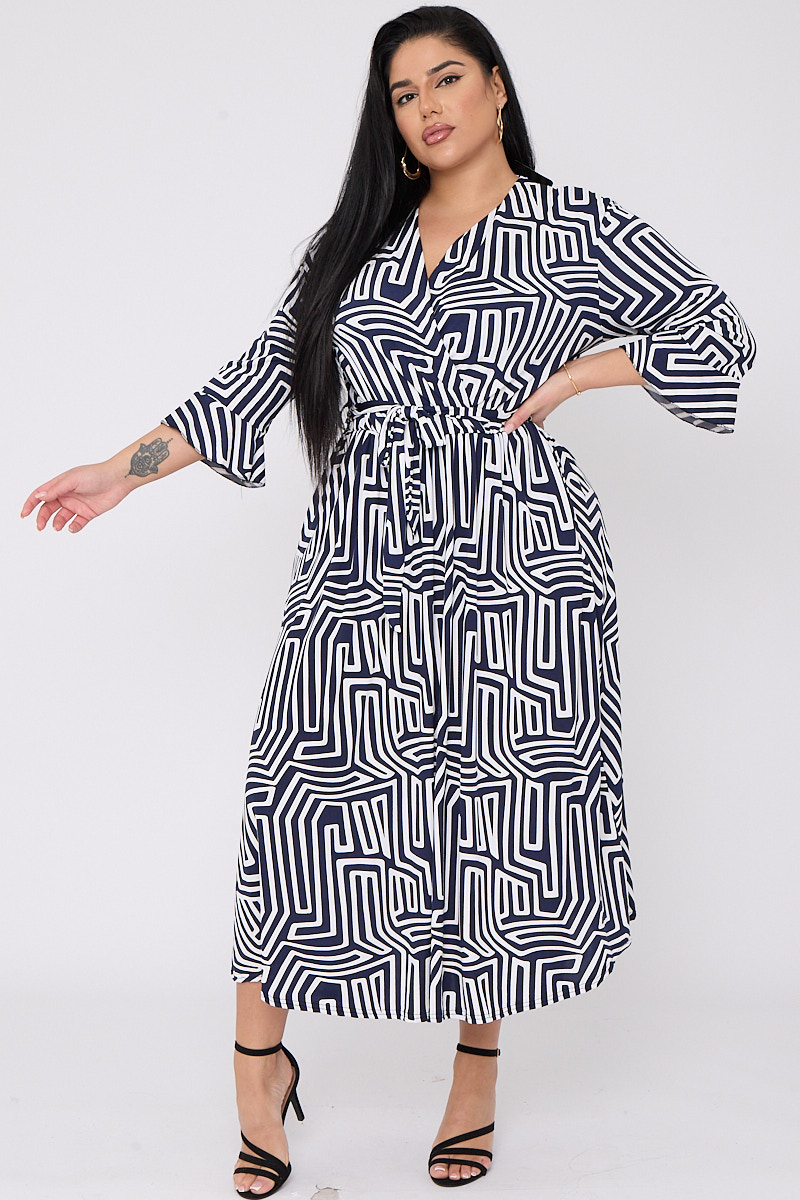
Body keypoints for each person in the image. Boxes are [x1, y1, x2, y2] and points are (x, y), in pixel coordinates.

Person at [20, 5, 757, 1195]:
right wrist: (122, 469)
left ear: (497, 88)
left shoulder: (577, 226)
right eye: (402, 95)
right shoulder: (358, 242)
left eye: (445, 79)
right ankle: (257, 1067)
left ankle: (475, 1072)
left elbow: (718, 334)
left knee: (492, 816)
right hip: (360, 566)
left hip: (521, 565)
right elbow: (259, 372)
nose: (425, 109)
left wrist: (582, 370)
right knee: (296, 801)